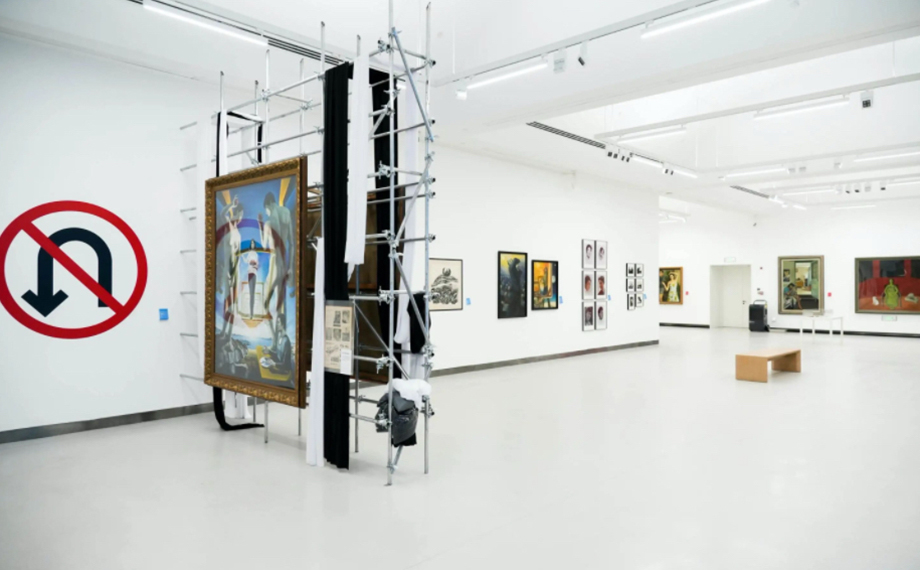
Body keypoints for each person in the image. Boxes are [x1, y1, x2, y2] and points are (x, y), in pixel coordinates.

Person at [244, 240, 259, 319]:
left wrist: (255, 265)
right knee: (251, 293)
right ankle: (251, 313)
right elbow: (246, 261)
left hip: (254, 274)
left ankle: (252, 313)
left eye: (253, 243)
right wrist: (242, 257)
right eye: (251, 243)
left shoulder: (256, 254)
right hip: (250, 273)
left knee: (253, 294)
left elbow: (257, 265)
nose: (252, 244)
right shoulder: (249, 253)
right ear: (250, 244)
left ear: (254, 244)